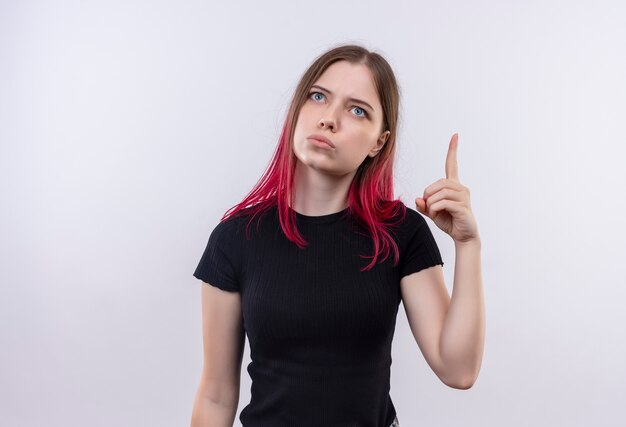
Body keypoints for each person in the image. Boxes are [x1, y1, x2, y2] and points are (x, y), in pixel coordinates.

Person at [190, 43, 485, 427]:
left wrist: (468, 244)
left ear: (379, 141)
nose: (329, 119)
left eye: (357, 110)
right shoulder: (234, 239)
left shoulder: (402, 233)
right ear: (297, 110)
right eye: (318, 97)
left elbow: (458, 370)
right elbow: (215, 396)